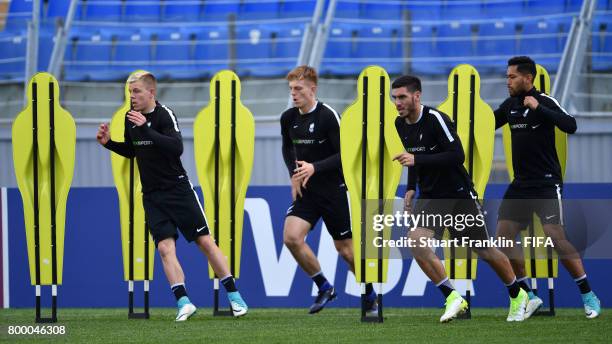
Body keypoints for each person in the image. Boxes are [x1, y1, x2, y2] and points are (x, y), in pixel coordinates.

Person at [96, 71, 248, 321]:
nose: (132, 97)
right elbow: (134, 152)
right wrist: (109, 143)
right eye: (129, 92)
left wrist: (145, 127)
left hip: (178, 190)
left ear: (151, 93)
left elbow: (176, 147)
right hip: (152, 195)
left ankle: (234, 296)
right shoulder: (128, 117)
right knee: (165, 248)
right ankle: (184, 302)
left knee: (205, 242)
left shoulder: (164, 115)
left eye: (136, 92)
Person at [391, 75, 528, 322]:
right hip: (431, 197)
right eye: (394, 98)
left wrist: (417, 160)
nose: (397, 102)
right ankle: (453, 297)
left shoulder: (435, 119)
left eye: (402, 97)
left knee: (484, 250)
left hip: (457, 194)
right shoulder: (400, 124)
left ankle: (518, 294)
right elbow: (413, 156)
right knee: (416, 241)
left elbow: (457, 155)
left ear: (417, 96)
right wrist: (411, 187)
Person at [493, 56, 600, 319]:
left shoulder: (546, 101)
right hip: (520, 185)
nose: (507, 81)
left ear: (527, 78)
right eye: (507, 76)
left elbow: (571, 125)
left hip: (546, 182)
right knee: (503, 240)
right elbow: (486, 125)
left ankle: (588, 295)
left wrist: (539, 108)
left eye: (512, 77)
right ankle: (529, 296)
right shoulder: (509, 106)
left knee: (556, 238)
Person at [280, 65, 377, 314]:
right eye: (291, 89)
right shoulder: (288, 118)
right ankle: (324, 286)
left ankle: (369, 294)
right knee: (291, 238)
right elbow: (287, 149)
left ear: (313, 89)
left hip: (333, 190)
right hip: (308, 192)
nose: (294, 93)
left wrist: (315, 167)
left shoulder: (328, 116)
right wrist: (294, 173)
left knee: (345, 250)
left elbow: (346, 156)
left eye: (298, 88)